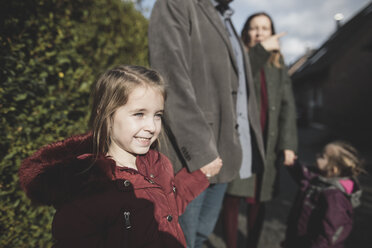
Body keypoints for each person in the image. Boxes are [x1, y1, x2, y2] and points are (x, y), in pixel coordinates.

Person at [18, 65, 220, 248]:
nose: (151, 127)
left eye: (157, 115)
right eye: (139, 114)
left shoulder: (159, 164)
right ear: (105, 113)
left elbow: (168, 206)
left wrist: (199, 175)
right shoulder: (87, 183)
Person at [148, 1, 265, 247]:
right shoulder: (176, 4)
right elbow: (170, 78)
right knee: (180, 240)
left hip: (225, 151)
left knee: (200, 235)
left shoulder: (225, 17)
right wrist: (201, 151)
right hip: (192, 157)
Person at [222, 12, 298, 248]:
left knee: (260, 198)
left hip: (268, 141)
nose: (259, 33)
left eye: (265, 28)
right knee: (233, 197)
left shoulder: (279, 64)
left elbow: (287, 105)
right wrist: (261, 50)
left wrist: (287, 145)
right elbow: (239, 79)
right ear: (246, 32)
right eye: (254, 28)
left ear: (272, 32)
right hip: (241, 139)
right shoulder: (239, 57)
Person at [282, 141, 363, 248]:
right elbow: (302, 174)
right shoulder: (317, 179)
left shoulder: (335, 197)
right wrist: (292, 163)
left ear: (333, 169)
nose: (317, 155)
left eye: (322, 156)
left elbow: (329, 233)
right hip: (297, 241)